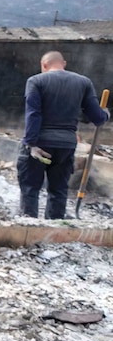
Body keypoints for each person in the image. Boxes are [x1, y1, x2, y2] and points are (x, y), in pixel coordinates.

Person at [18, 50, 109, 218]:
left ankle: (28, 225)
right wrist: (105, 114)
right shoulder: (84, 82)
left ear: (44, 65)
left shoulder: (36, 81)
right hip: (66, 146)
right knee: (58, 190)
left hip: (40, 144)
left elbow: (33, 114)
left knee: (30, 188)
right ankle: (54, 228)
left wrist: (31, 143)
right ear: (64, 64)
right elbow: (97, 118)